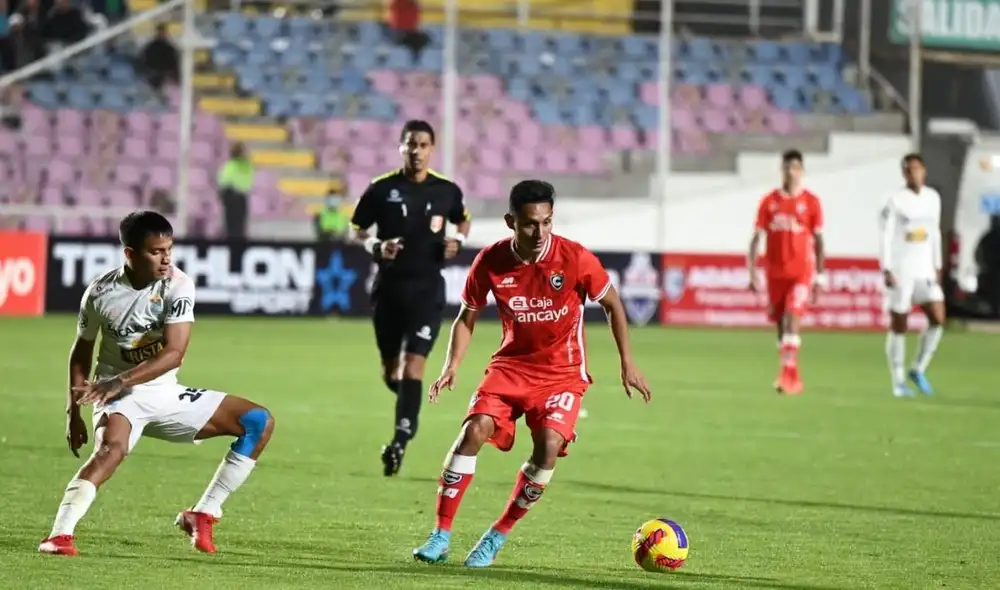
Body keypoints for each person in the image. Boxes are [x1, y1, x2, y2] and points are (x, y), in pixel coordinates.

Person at [411, 180, 651, 568]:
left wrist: (628, 362)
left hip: (563, 373)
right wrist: (451, 365)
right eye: (529, 224)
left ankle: (497, 534)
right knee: (473, 432)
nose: (539, 232)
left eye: (546, 222)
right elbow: (467, 315)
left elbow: (612, 302)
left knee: (550, 445)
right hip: (511, 367)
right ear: (511, 222)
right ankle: (440, 535)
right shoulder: (491, 261)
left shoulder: (574, 258)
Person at [38, 211, 275, 557]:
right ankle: (59, 536)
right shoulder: (100, 293)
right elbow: (81, 353)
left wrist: (120, 380)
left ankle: (203, 513)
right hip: (117, 397)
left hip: (162, 391)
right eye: (155, 251)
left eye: (169, 249)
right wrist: (73, 412)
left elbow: (175, 353)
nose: (166, 259)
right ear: (130, 254)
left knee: (258, 421)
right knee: (110, 451)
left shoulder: (178, 285)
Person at [351, 119, 470, 476]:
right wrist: (376, 245)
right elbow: (356, 230)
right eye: (410, 144)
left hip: (427, 292)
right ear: (401, 147)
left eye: (423, 145)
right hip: (388, 292)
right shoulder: (380, 189)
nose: (416, 151)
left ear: (432, 149)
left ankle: (399, 442)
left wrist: (459, 242)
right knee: (393, 374)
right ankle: (407, 409)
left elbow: (462, 221)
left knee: (413, 366)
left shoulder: (446, 190)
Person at [747, 149, 825, 395]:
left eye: (795, 168)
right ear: (781, 170)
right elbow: (755, 239)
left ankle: (786, 377)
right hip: (775, 274)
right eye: (787, 168)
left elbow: (819, 241)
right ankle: (791, 375)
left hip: (801, 273)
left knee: (793, 318)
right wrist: (752, 272)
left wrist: (819, 276)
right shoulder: (769, 202)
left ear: (801, 171)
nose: (791, 172)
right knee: (782, 326)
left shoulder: (811, 202)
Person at [879, 153, 945, 397]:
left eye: (917, 169)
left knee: (938, 317)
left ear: (924, 170)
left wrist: (937, 264)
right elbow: (885, 235)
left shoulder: (932, 198)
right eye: (908, 170)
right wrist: (886, 268)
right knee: (900, 324)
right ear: (904, 174)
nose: (913, 173)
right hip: (901, 269)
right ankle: (897, 380)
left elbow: (935, 232)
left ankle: (918, 368)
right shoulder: (896, 200)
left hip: (925, 268)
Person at [217, 142, 253, 239]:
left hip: (232, 198)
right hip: (240, 199)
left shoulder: (230, 165)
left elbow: (223, 182)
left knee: (232, 228)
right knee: (239, 228)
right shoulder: (247, 166)